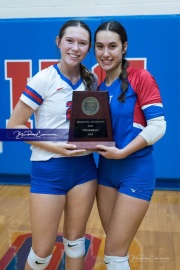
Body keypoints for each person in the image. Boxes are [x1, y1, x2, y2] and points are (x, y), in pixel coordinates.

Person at [7, 20, 98, 270]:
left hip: (85, 170)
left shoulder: (90, 79)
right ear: (58, 42)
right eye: (70, 41)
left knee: (76, 244)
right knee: (41, 253)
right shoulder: (43, 79)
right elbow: (12, 128)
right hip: (49, 171)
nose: (75, 48)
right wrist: (56, 146)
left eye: (82, 43)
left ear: (88, 47)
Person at [94, 21, 166, 270]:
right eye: (100, 46)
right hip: (105, 174)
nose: (106, 53)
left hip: (136, 172)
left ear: (124, 47)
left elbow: (158, 126)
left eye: (112, 46)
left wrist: (123, 152)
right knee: (116, 251)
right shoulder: (98, 88)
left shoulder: (140, 77)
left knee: (113, 253)